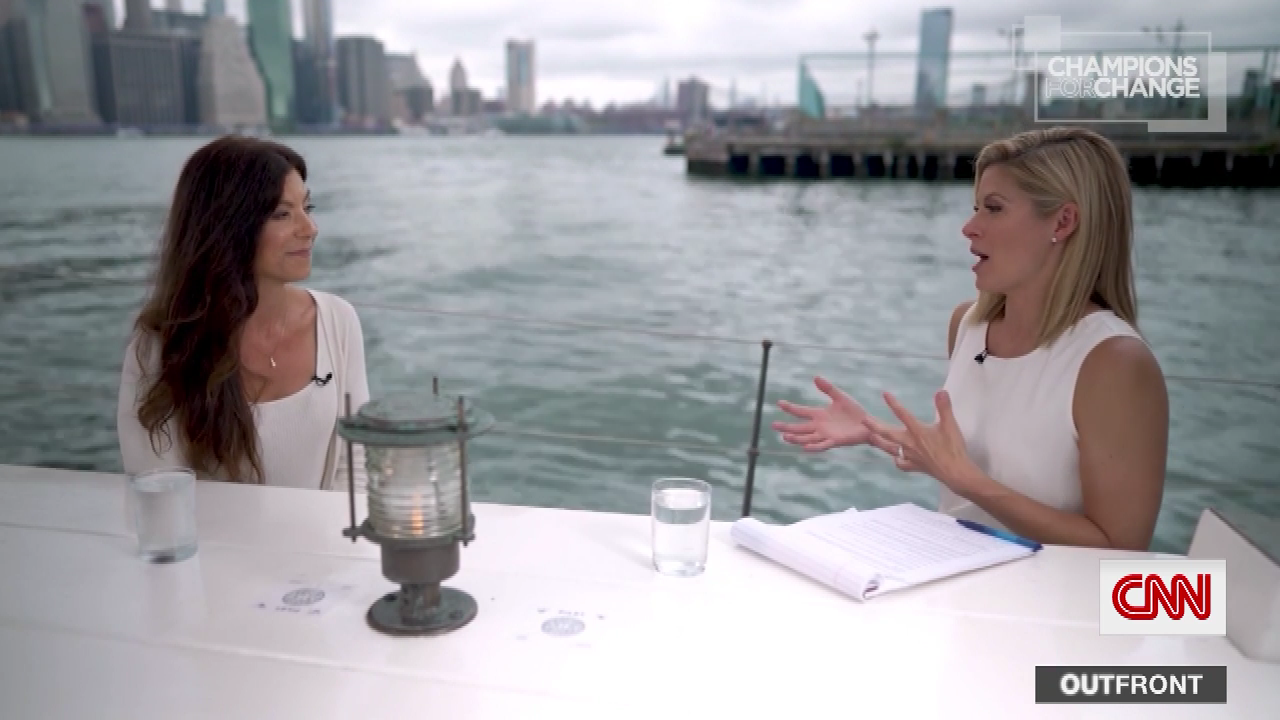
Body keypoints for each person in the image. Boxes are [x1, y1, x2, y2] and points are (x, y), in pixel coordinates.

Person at [772, 126, 1168, 551]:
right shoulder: (968, 326)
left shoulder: (1115, 361)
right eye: (976, 207)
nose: (968, 227)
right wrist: (874, 431)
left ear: (1063, 221)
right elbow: (964, 456)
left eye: (993, 209)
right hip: (953, 571)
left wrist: (967, 481)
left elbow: (1121, 550)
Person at [117, 135, 369, 490]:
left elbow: (355, 466)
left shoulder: (338, 320)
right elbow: (158, 489)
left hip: (323, 529)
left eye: (307, 208)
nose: (310, 229)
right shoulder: (159, 346)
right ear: (228, 227)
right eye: (282, 214)